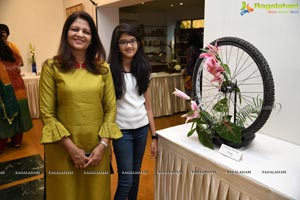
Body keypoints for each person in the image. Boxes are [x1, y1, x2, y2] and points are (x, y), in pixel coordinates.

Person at [39, 11, 122, 200]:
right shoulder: (52, 67)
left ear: (92, 39)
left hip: (96, 149)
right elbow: (47, 113)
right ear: (66, 33)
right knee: (65, 194)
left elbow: (110, 108)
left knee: (96, 194)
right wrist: (72, 149)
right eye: (75, 29)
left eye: (86, 31)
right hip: (62, 148)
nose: (80, 34)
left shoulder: (103, 69)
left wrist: (103, 145)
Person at [108, 23, 158, 200]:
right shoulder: (109, 71)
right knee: (126, 180)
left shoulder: (143, 68)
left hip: (142, 129)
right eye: (123, 42)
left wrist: (154, 136)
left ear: (138, 42)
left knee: (135, 175)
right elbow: (107, 108)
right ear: (117, 45)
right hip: (121, 131)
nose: (129, 46)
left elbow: (148, 107)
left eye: (132, 41)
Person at [0, 31, 32, 153]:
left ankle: (1, 145)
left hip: (3, 89)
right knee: (19, 111)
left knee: (4, 115)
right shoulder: (12, 47)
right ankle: (16, 142)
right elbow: (22, 63)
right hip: (18, 86)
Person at [183, 30, 202, 97]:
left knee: (190, 95)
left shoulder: (191, 49)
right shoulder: (200, 48)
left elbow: (189, 63)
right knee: (198, 94)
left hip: (191, 75)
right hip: (200, 74)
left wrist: (185, 72)